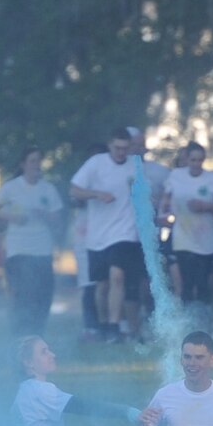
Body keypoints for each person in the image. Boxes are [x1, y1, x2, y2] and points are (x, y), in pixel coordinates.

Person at [12, 336, 141, 426]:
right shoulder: (41, 391)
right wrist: (128, 412)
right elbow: (83, 406)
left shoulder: (25, 390)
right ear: (28, 362)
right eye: (44, 352)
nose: (52, 355)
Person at [70, 126, 145, 342]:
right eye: (117, 148)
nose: (121, 152)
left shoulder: (135, 167)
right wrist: (96, 194)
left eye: (125, 148)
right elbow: (74, 189)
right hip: (98, 236)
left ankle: (114, 326)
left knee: (118, 276)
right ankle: (103, 324)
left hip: (125, 233)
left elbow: (144, 196)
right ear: (110, 145)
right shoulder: (96, 164)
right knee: (101, 286)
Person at [0, 146, 66, 336]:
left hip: (42, 250)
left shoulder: (48, 189)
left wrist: (45, 215)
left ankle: (37, 332)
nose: (36, 165)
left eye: (39, 160)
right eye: (32, 161)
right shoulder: (11, 188)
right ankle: (19, 331)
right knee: (22, 293)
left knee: (43, 295)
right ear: (23, 164)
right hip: (18, 250)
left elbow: (58, 219)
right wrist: (12, 217)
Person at [166, 141, 213, 315]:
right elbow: (167, 196)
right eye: (192, 160)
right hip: (182, 238)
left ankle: (203, 319)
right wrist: (165, 208)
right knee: (185, 282)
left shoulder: (212, 180)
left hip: (206, 240)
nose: (195, 164)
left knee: (202, 282)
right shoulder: (176, 176)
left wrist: (208, 207)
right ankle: (186, 321)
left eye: (199, 160)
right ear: (187, 159)